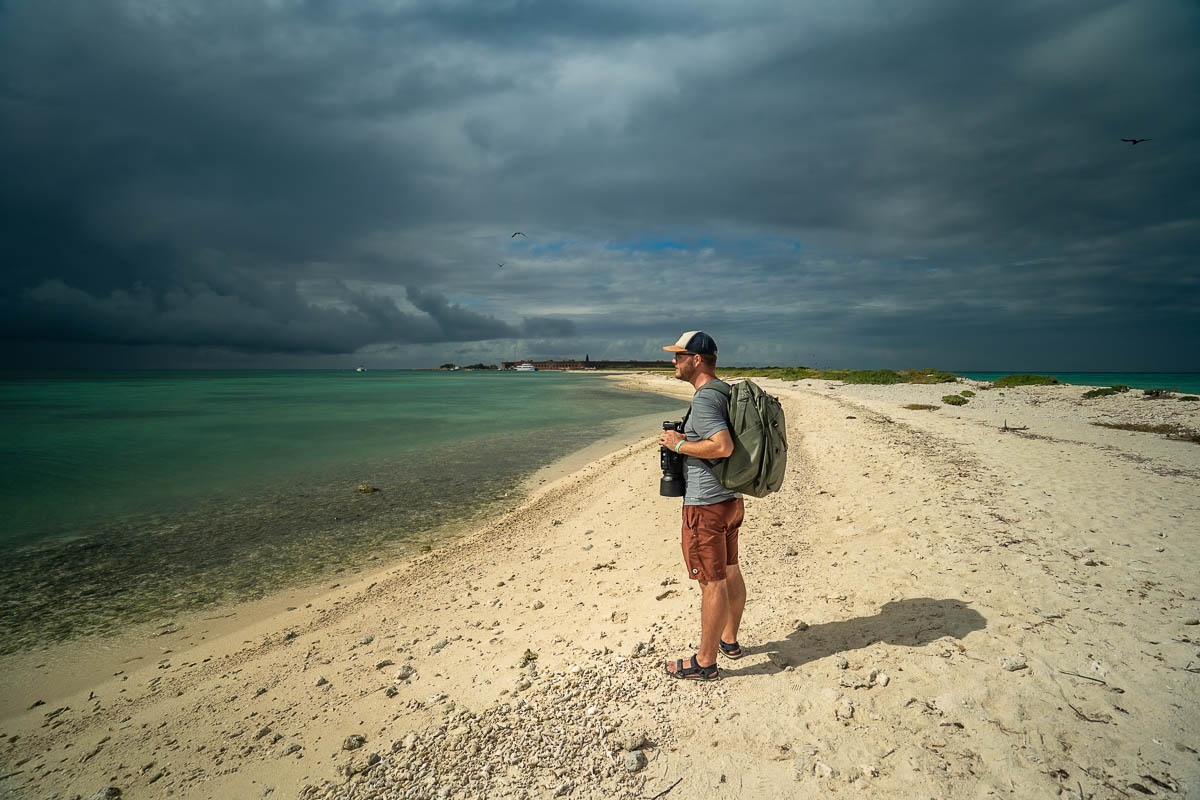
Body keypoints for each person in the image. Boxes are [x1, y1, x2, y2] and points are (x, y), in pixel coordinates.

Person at [657, 331, 746, 681]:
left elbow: (722, 446)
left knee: (712, 582)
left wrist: (678, 445)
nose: (673, 361)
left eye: (679, 356)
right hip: (730, 500)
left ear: (696, 360)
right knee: (730, 571)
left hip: (706, 507)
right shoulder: (725, 392)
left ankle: (705, 663)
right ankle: (730, 640)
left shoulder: (707, 399)